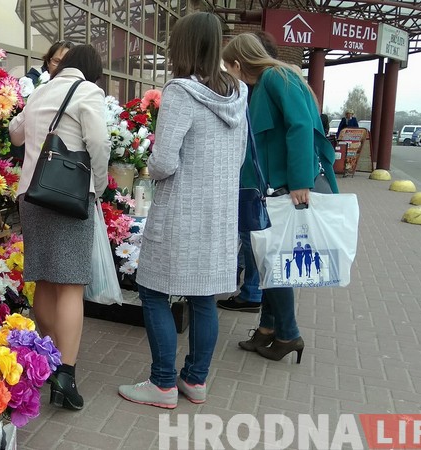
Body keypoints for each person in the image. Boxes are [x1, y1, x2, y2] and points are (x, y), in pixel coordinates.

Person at [117, 12, 248, 409]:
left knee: (153, 292)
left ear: (184, 46)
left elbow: (164, 162)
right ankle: (195, 380)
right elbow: (239, 157)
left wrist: (149, 167)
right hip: (220, 215)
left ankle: (161, 384)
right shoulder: (239, 93)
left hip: (181, 212)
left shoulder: (180, 92)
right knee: (204, 298)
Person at [222, 33, 338, 363]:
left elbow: (300, 126)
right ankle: (268, 330)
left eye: (228, 66)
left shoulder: (276, 76)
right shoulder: (269, 82)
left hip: (282, 188)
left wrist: (300, 181)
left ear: (238, 63)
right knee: (269, 257)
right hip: (270, 188)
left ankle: (288, 333)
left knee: (273, 260)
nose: (228, 72)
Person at [9, 45, 109, 411]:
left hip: (32, 195)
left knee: (47, 279)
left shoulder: (40, 91)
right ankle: (65, 374)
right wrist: (98, 183)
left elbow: (15, 134)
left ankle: (47, 360)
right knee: (71, 284)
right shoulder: (88, 92)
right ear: (92, 70)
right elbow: (98, 142)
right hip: (70, 195)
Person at [218, 31, 279, 314]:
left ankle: (253, 292)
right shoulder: (268, 84)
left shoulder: (261, 87)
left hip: (255, 178)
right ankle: (257, 299)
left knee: (252, 234)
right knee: (253, 235)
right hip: (260, 178)